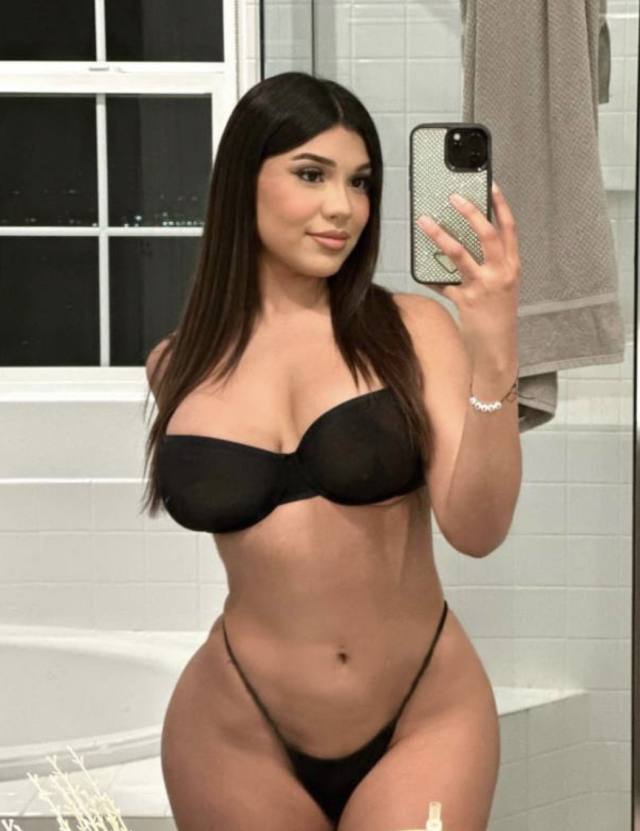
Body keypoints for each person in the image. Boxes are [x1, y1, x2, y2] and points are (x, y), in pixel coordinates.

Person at [142, 71, 522, 831]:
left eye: (360, 182)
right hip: (234, 728)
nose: (343, 207)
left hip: (423, 716)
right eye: (311, 175)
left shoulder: (410, 330)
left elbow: (478, 530)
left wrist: (495, 351)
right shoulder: (176, 363)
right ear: (242, 183)